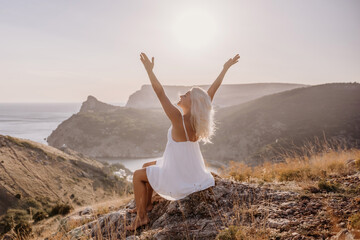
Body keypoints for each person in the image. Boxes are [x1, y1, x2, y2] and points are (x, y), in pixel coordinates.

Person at [125, 52, 240, 231]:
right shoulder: (196, 120)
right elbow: (211, 93)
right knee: (147, 164)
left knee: (137, 176)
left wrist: (149, 71)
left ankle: (142, 217)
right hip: (189, 170)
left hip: (178, 177)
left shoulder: (179, 119)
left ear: (192, 103)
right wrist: (225, 69)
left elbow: (160, 92)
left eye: (185, 95)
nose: (181, 95)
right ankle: (146, 205)